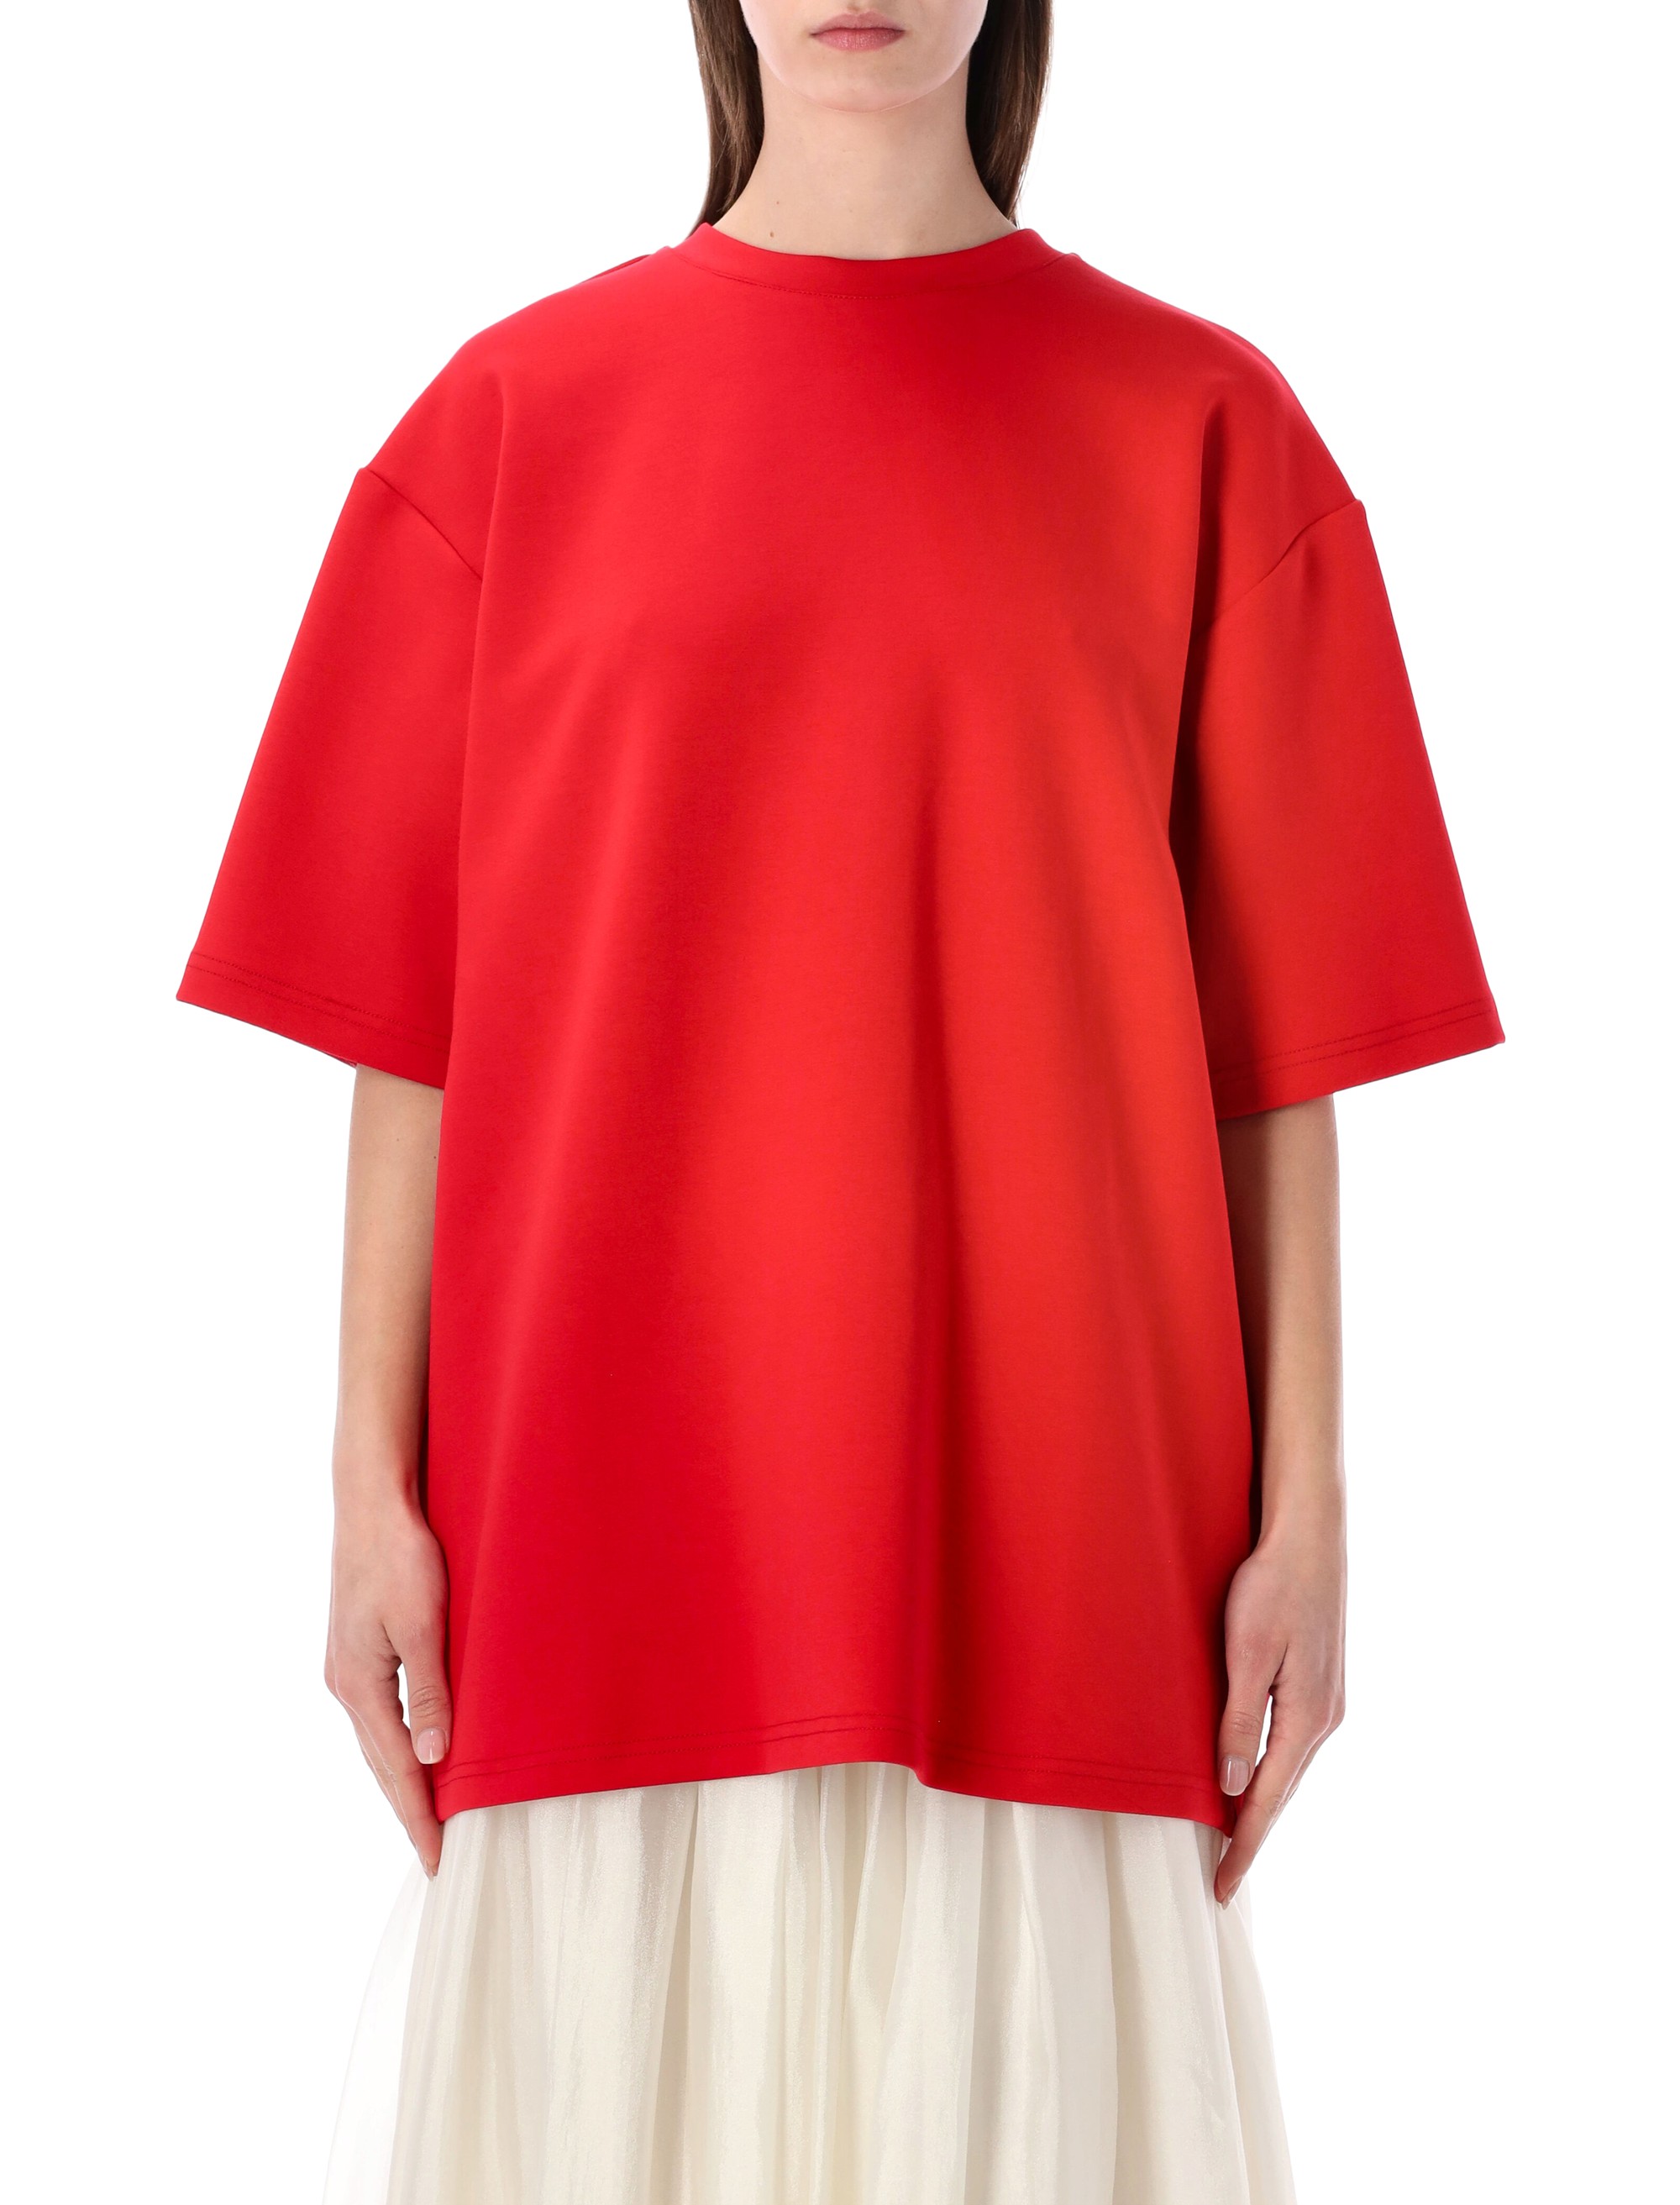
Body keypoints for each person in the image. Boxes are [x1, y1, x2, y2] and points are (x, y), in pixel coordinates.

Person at [178, 3, 1501, 2197]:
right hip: (604, 1502)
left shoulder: (1205, 428)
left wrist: (1313, 1509)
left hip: (1060, 1523)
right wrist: (361, 1479)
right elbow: (404, 1013)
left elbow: (1279, 1056)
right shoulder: (508, 422)